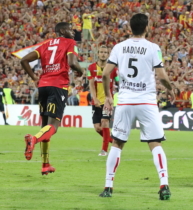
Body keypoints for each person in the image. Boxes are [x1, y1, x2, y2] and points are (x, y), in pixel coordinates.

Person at [98, 13, 175, 200]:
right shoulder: (153, 48)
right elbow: (162, 76)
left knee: (117, 143)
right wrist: (171, 90)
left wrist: (108, 96)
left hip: (124, 101)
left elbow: (106, 74)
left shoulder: (119, 47)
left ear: (129, 28)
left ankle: (108, 187)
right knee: (155, 143)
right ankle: (164, 184)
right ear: (147, 27)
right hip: (147, 102)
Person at [20, 22, 84, 175]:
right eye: (70, 28)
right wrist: (81, 71)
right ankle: (33, 139)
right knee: (53, 126)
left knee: (45, 127)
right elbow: (72, 62)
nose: (73, 31)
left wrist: (35, 77)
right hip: (58, 86)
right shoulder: (70, 42)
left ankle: (45, 164)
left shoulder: (46, 44)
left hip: (43, 86)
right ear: (61, 31)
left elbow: (23, 60)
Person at [88, 45, 118, 156]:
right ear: (98, 53)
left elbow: (119, 81)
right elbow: (91, 84)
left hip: (108, 101)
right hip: (96, 101)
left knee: (105, 122)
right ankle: (113, 141)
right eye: (101, 52)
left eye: (105, 52)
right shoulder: (91, 68)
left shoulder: (114, 69)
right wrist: (94, 98)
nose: (103, 54)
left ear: (108, 54)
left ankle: (104, 150)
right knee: (97, 127)